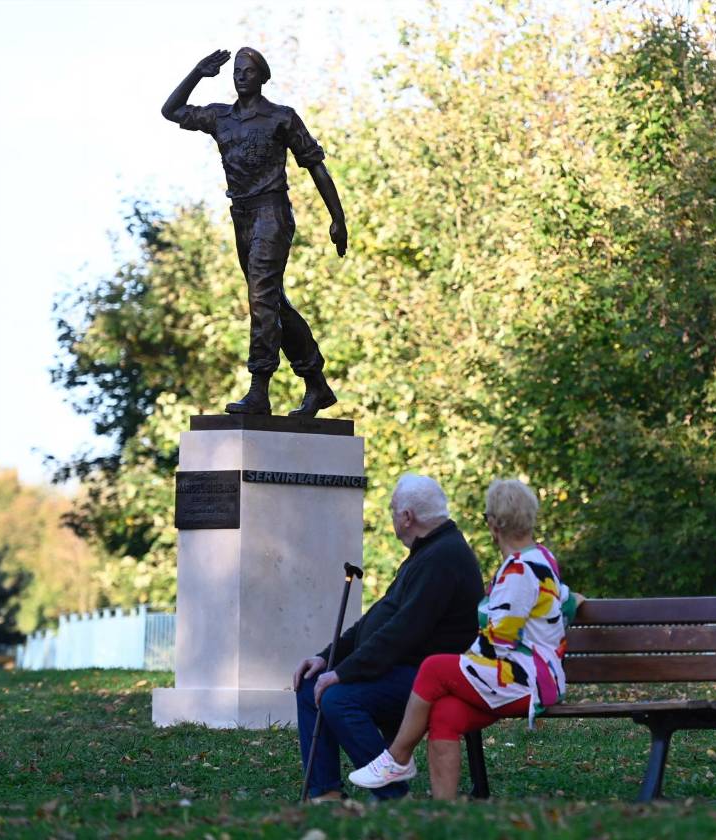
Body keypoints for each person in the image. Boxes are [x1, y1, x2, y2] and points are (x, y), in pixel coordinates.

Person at [348, 478, 581, 800]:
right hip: (533, 678)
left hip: (524, 680)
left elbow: (497, 642)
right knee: (445, 713)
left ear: (492, 524)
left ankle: (397, 757)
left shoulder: (518, 572)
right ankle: (447, 814)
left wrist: (458, 666)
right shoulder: (541, 559)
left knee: (434, 669)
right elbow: (568, 600)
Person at [161, 47, 347, 417]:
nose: (240, 76)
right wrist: (197, 71)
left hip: (272, 213)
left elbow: (315, 167)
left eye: (248, 71)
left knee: (261, 300)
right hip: (242, 216)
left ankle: (259, 388)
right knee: (272, 302)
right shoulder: (220, 117)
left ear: (263, 77)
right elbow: (171, 111)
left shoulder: (281, 118)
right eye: (236, 71)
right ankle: (316, 383)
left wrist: (337, 218)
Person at [291, 474, 484, 802]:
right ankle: (325, 793)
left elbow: (402, 634)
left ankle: (392, 792)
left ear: (407, 517)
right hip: (403, 668)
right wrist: (326, 658)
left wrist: (343, 674)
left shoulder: (442, 557)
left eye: (393, 511)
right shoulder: (428, 551)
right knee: (311, 684)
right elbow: (377, 619)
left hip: (427, 678)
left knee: (339, 698)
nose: (392, 517)